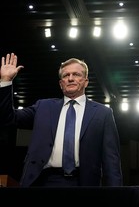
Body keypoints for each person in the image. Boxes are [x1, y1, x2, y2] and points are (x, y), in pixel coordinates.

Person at [0, 53, 123, 187]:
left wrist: (116, 195)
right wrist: (6, 80)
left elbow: (112, 161)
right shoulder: (43, 107)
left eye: (76, 74)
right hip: (44, 182)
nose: (70, 78)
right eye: (66, 75)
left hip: (84, 184)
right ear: (61, 84)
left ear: (86, 81)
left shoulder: (103, 113)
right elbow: (8, 118)